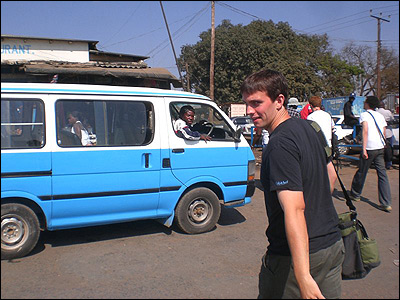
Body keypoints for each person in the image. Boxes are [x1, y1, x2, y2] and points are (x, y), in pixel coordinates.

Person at [241, 69, 343, 299]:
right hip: (332, 245)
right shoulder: (310, 128)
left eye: (256, 103)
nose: (249, 111)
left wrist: (303, 276)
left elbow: (295, 209)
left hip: (297, 258)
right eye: (247, 103)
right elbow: (331, 176)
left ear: (279, 101)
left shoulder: (279, 145)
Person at [350, 96, 392, 212]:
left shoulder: (365, 115)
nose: (364, 103)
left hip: (369, 147)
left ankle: (355, 194)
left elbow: (365, 130)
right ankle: (386, 202)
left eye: (365, 102)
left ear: (368, 104)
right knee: (382, 174)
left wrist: (363, 148)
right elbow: (383, 131)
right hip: (380, 147)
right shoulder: (380, 115)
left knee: (362, 171)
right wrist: (383, 144)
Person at [307, 96, 337, 193]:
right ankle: (328, 194)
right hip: (328, 147)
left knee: (316, 173)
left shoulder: (310, 117)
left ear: (311, 105)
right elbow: (333, 129)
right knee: (328, 172)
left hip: (315, 148)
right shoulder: (327, 115)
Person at [376, 101, 395, 169]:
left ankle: (379, 164)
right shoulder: (387, 112)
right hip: (388, 133)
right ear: (383, 105)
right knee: (389, 150)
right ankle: (388, 164)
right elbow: (392, 119)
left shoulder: (376, 112)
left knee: (379, 150)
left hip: (378, 133)